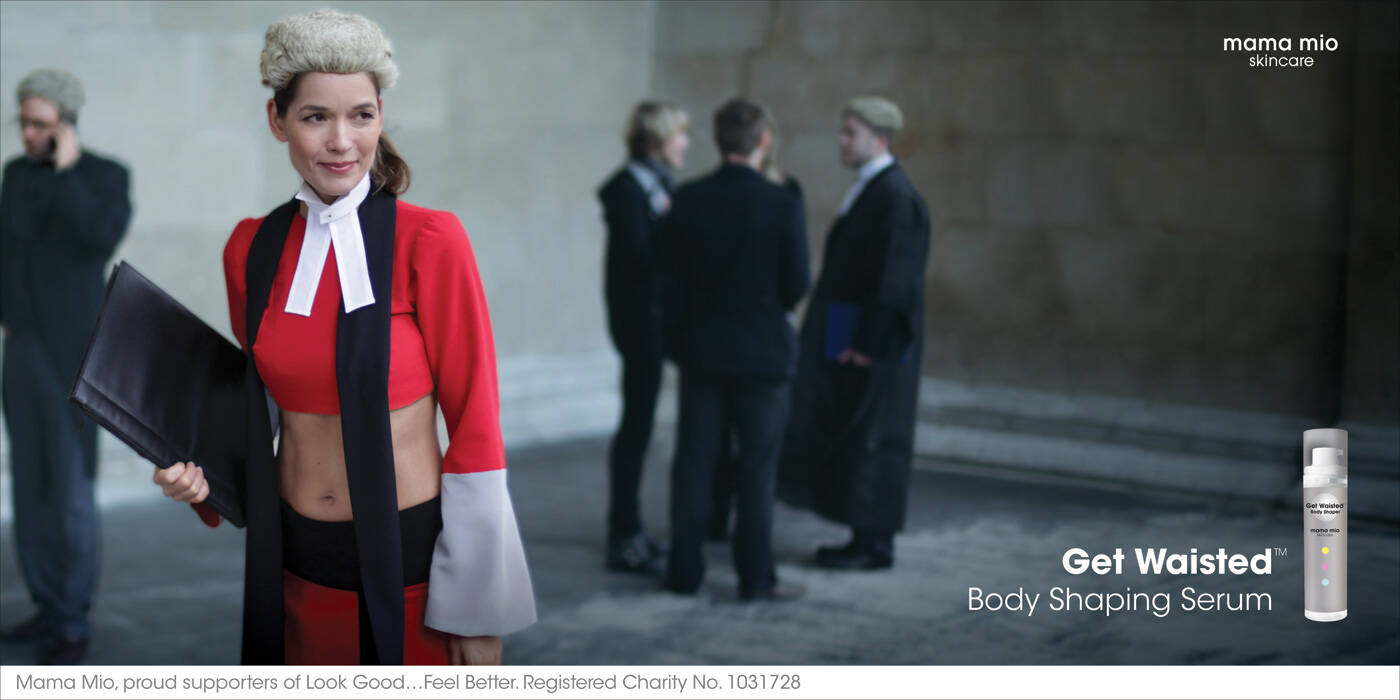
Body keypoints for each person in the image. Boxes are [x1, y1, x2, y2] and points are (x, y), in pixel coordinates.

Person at [151, 9, 535, 665]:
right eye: (315, 117)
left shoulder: (431, 239)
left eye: (361, 115)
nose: (341, 141)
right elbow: (256, 410)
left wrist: (478, 604)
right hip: (294, 555)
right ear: (278, 121)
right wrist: (199, 480)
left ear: (381, 116)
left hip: (412, 557)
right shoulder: (250, 248)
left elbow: (476, 423)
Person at [0, 68, 131, 664]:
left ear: (65, 123)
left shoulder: (103, 176)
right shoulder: (15, 174)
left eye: (39, 124)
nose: (27, 133)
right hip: (23, 351)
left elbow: (99, 239)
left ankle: (73, 622)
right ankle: (47, 606)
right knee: (29, 486)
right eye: (23, 122)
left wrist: (68, 169)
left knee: (72, 488)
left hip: (78, 355)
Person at [660, 97, 809, 600]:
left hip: (703, 351)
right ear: (763, 140)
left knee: (694, 465)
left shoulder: (689, 198)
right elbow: (797, 283)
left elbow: (669, 281)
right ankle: (755, 576)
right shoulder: (783, 202)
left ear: (718, 139)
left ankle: (684, 572)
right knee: (756, 470)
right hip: (764, 355)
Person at [777, 96, 931, 570]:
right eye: (842, 132)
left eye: (851, 133)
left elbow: (895, 281)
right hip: (858, 338)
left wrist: (868, 344)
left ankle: (874, 543)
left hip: (877, 347)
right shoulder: (875, 190)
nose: (842, 141)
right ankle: (862, 535)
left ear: (880, 139)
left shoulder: (895, 196)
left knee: (875, 436)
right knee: (857, 434)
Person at [596, 101, 690, 573]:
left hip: (654, 324)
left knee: (641, 425)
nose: (686, 144)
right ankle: (624, 534)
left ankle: (630, 529)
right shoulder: (631, 191)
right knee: (636, 428)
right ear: (658, 139)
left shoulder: (654, 186)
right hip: (641, 327)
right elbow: (640, 266)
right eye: (680, 135)